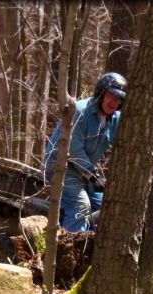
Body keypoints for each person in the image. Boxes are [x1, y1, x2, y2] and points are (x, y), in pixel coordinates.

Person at [44, 72, 126, 232]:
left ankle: (93, 246)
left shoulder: (115, 119)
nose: (114, 102)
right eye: (111, 96)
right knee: (80, 205)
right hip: (61, 167)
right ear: (101, 93)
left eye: (118, 99)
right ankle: (70, 250)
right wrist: (93, 174)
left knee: (108, 205)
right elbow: (73, 149)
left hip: (84, 173)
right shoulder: (81, 111)